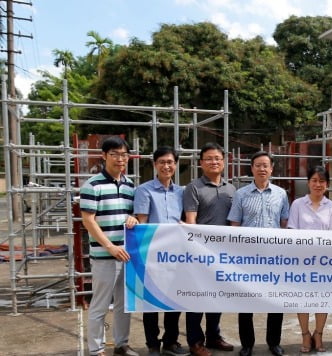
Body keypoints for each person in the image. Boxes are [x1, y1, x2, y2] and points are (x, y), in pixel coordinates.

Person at [80, 136, 139, 356]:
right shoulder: (92, 185)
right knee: (100, 305)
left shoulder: (130, 185)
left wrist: (133, 217)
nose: (120, 159)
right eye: (115, 154)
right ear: (104, 156)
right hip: (105, 256)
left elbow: (132, 214)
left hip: (126, 255)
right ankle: (96, 350)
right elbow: (88, 221)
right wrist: (110, 247)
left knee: (124, 305)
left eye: (124, 154)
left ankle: (121, 344)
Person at [227, 151, 290, 356]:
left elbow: (284, 224)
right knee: (246, 302)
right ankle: (247, 344)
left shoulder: (281, 194)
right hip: (248, 257)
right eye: (258, 165)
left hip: (275, 257)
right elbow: (234, 225)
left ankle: (274, 343)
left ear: (271, 168)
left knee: (275, 300)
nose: (262, 169)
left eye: (266, 165)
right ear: (251, 168)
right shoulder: (241, 194)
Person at [133, 147, 188, 356]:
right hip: (153, 254)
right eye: (162, 162)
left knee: (174, 298)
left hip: (176, 254)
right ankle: (153, 344)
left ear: (175, 165)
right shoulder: (144, 190)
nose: (166, 166)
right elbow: (142, 223)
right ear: (154, 164)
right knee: (151, 302)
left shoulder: (182, 192)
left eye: (170, 162)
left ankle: (171, 342)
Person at [183, 143, 236, 356]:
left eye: (217, 158)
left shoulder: (232, 189)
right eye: (209, 159)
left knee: (217, 296)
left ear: (224, 162)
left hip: (223, 254)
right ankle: (195, 341)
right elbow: (190, 220)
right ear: (201, 163)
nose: (214, 162)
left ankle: (213, 336)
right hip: (200, 252)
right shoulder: (193, 187)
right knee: (197, 296)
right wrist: (199, 249)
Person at [287, 166, 332, 353]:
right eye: (314, 181)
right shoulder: (297, 204)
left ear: (327, 184)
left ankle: (318, 334)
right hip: (302, 262)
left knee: (322, 300)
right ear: (308, 183)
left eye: (322, 181)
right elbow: (292, 232)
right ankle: (304, 334)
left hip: (325, 263)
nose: (318, 185)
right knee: (302, 299)